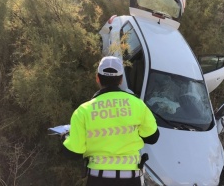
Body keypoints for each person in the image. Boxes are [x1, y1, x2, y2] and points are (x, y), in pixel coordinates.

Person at [61, 56, 159, 186]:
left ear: (97, 78)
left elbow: (73, 152)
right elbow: (152, 137)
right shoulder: (138, 104)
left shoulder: (83, 111)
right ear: (121, 79)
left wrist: (65, 137)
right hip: (131, 178)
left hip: (98, 179)